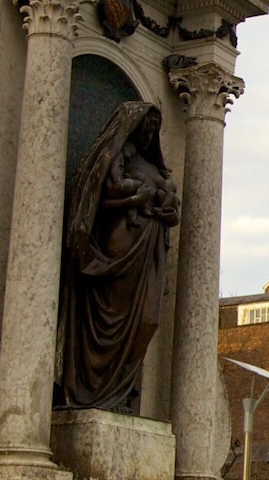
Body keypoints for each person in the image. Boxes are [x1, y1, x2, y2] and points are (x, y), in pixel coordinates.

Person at [55, 101, 179, 413]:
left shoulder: (153, 166)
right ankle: (94, 392)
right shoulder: (115, 156)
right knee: (108, 315)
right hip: (117, 249)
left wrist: (164, 206)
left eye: (154, 129)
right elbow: (104, 192)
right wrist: (140, 196)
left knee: (147, 320)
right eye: (145, 127)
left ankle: (121, 392)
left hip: (149, 252)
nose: (150, 134)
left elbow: (171, 210)